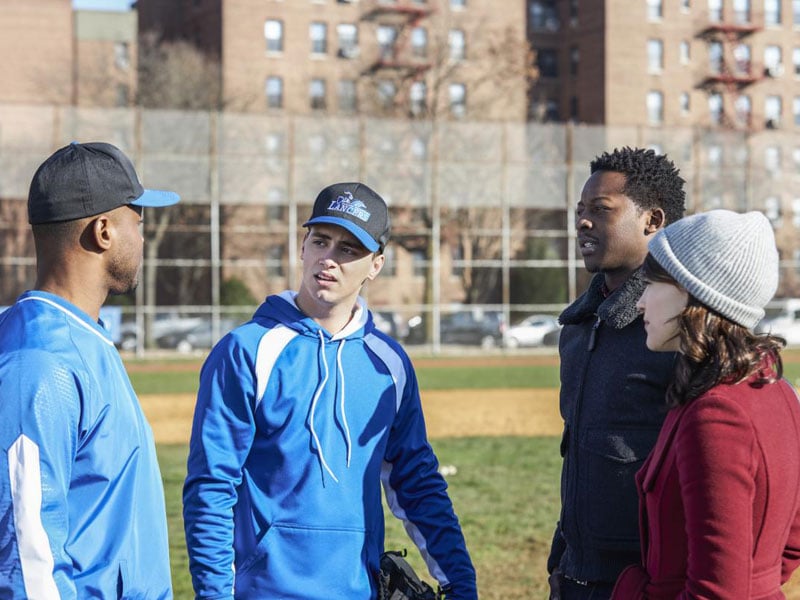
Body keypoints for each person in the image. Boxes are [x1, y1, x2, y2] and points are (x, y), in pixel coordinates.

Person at [182, 182, 478, 599]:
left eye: (349, 250)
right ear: (303, 247)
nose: (329, 259)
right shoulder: (247, 351)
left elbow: (417, 482)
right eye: (321, 241)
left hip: (357, 589)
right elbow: (211, 487)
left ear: (376, 265)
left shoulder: (388, 365)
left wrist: (460, 583)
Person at [0, 142, 180, 598]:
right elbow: (27, 555)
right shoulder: (40, 359)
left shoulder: (78, 333)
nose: (142, 238)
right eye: (137, 222)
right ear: (103, 230)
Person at [611, 210, 800, 598]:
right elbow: (791, 543)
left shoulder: (717, 413)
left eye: (652, 285)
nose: (641, 303)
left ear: (694, 294)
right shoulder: (773, 388)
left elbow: (716, 593)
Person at [548, 147, 687, 599]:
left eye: (601, 210)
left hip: (649, 580)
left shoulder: (681, 332)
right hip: (575, 576)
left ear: (653, 221)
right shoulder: (576, 328)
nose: (583, 222)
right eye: (580, 211)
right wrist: (561, 558)